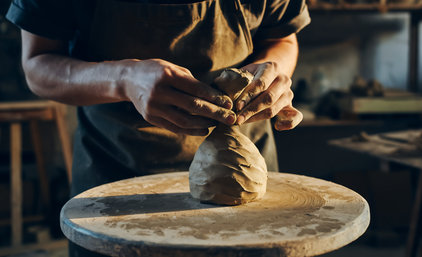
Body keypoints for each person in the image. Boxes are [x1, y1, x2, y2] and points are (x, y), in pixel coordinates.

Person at [7, 0, 310, 256]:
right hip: (118, 171)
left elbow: (282, 37)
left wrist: (274, 72)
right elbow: (37, 64)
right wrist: (123, 79)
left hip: (247, 164)